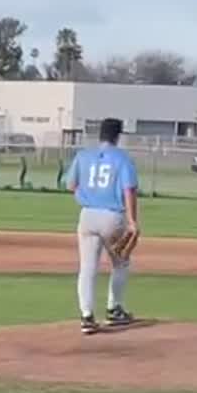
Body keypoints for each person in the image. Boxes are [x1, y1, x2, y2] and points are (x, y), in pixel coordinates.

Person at [65, 118, 140, 334]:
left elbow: (70, 185)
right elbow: (129, 190)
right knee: (121, 262)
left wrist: (85, 197)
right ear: (118, 136)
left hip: (87, 215)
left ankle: (87, 317)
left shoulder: (83, 155)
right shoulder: (122, 159)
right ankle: (114, 310)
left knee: (87, 268)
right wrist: (133, 221)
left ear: (100, 135)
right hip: (112, 217)